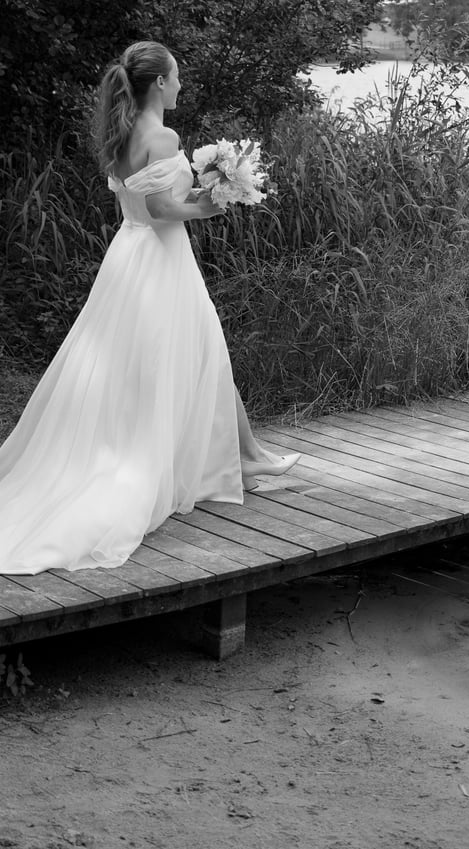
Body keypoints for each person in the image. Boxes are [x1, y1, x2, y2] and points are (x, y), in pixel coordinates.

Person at [0, 41, 298, 574]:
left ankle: (247, 456)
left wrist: (214, 188)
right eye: (176, 77)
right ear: (159, 82)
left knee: (173, 358)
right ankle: (231, 459)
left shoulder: (123, 132)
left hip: (131, 255)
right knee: (194, 354)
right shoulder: (163, 136)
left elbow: (146, 203)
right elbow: (162, 209)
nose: (180, 85)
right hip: (159, 260)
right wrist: (213, 205)